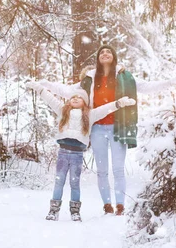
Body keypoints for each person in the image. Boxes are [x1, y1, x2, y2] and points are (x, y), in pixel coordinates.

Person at [39, 44, 176, 216]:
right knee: (102, 170)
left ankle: (120, 205)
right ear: (98, 58)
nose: (105, 54)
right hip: (97, 128)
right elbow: (67, 91)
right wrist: (46, 84)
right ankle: (107, 205)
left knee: (118, 169)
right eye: (102, 52)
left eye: (108, 52)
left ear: (114, 57)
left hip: (118, 127)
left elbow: (146, 86)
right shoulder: (89, 79)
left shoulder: (124, 77)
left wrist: (170, 83)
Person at [26, 80, 136, 221]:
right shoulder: (62, 110)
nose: (76, 98)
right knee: (59, 182)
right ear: (69, 101)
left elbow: (105, 109)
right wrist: (37, 87)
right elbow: (49, 97)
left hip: (77, 154)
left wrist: (119, 103)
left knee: (74, 183)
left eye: (79, 97)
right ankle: (54, 210)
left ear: (85, 102)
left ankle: (75, 211)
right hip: (63, 153)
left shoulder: (90, 115)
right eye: (73, 97)